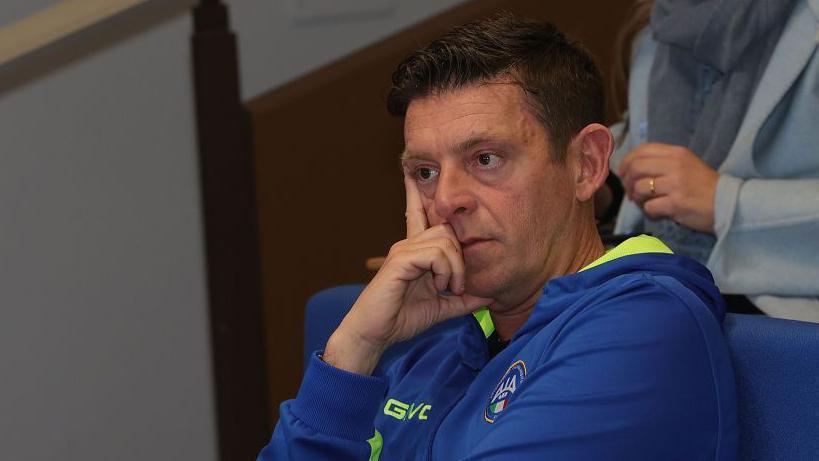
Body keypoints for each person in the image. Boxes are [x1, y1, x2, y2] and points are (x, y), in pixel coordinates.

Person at [258, 14, 738, 460]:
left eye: (485, 159)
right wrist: (355, 347)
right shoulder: (436, 344)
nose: (445, 200)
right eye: (425, 172)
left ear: (587, 164)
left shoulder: (643, 325)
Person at [604, 0, 819, 322]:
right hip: (661, 288)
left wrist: (723, 202)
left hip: (779, 321)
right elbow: (641, 141)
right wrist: (603, 187)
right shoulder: (658, 27)